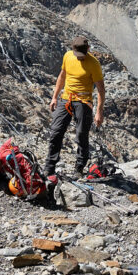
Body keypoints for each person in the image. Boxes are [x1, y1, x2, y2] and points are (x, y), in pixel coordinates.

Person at [45, 36, 105, 178]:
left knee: (81, 135)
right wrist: (54, 97)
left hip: (84, 101)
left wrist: (99, 112)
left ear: (88, 50)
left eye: (82, 55)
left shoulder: (94, 64)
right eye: (77, 55)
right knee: (56, 131)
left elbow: (101, 89)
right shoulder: (68, 56)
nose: (79, 58)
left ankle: (79, 167)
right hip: (66, 98)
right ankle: (49, 167)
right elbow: (62, 76)